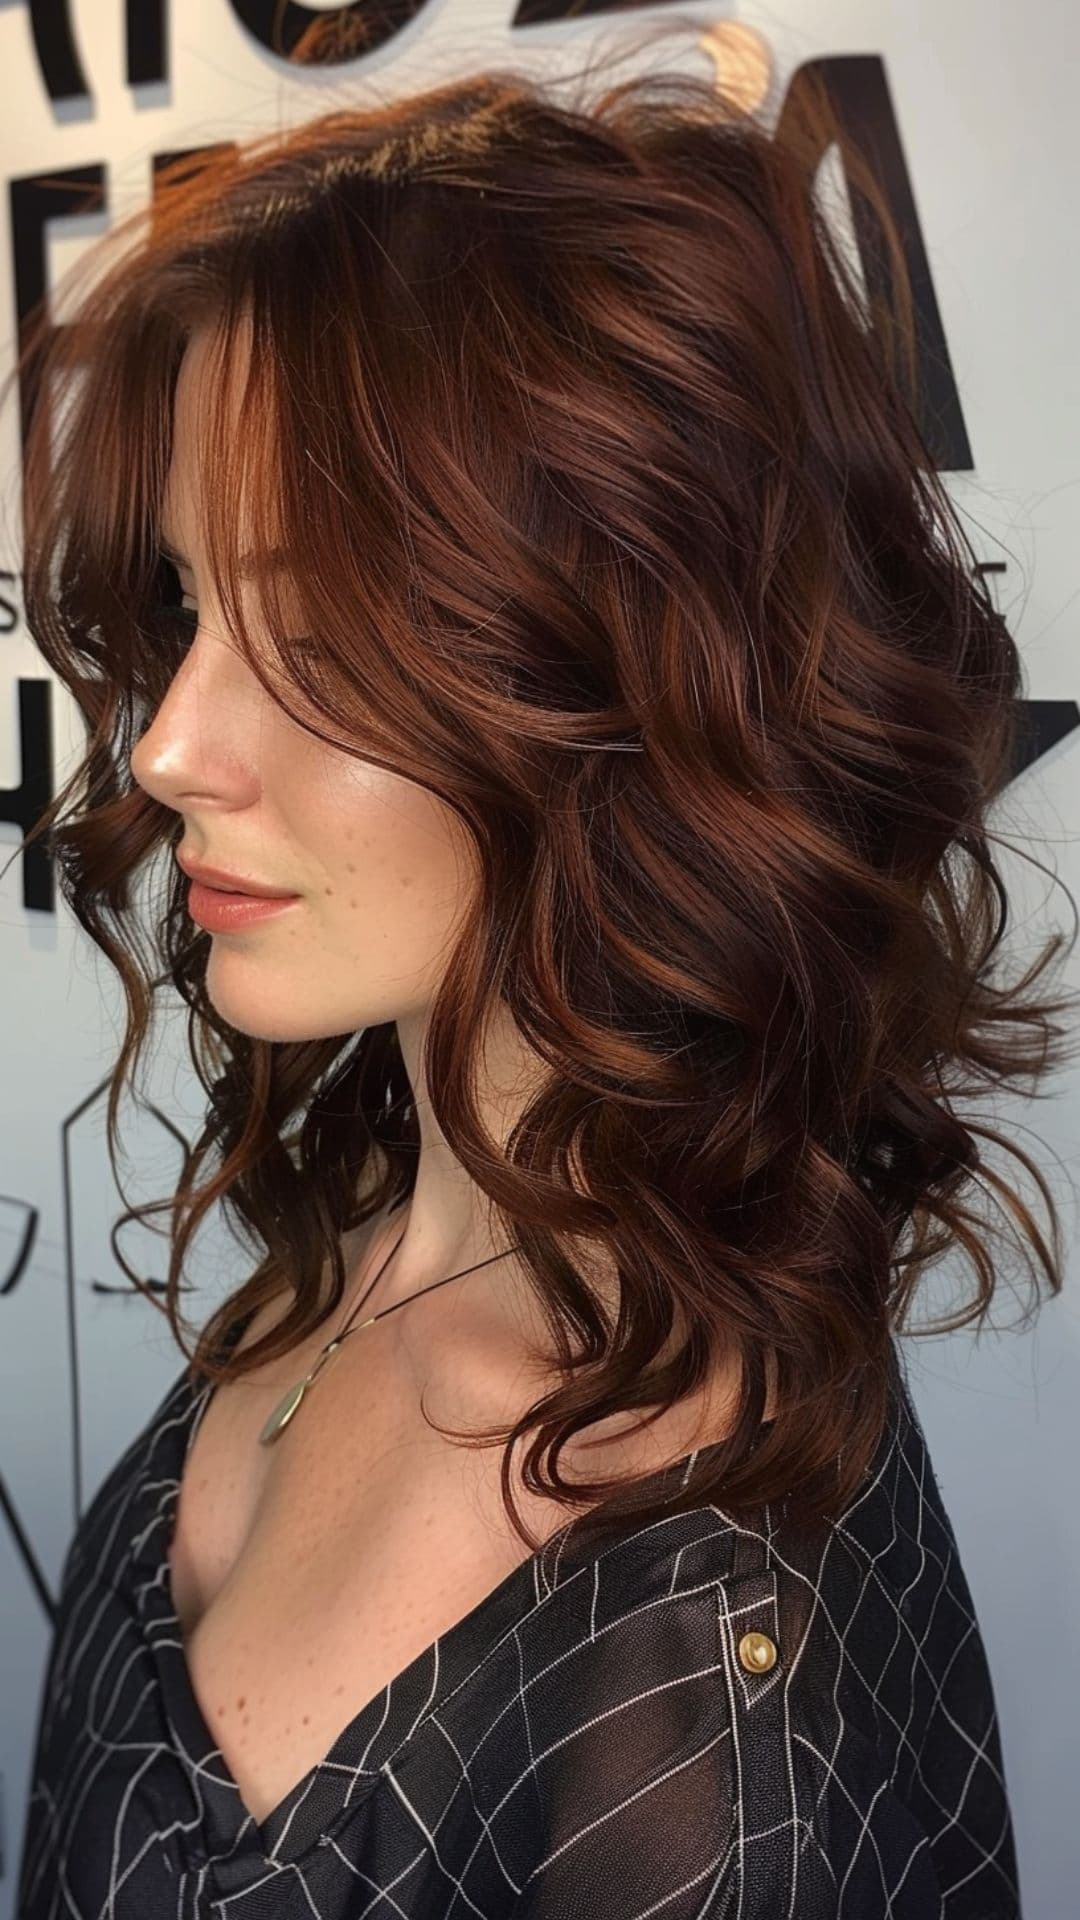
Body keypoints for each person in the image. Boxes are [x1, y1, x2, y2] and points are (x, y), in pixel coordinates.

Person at [8, 38, 1074, 1920]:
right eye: (189, 609)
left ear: (627, 690)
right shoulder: (371, 1235)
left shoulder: (707, 1743)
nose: (168, 750)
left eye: (321, 640)